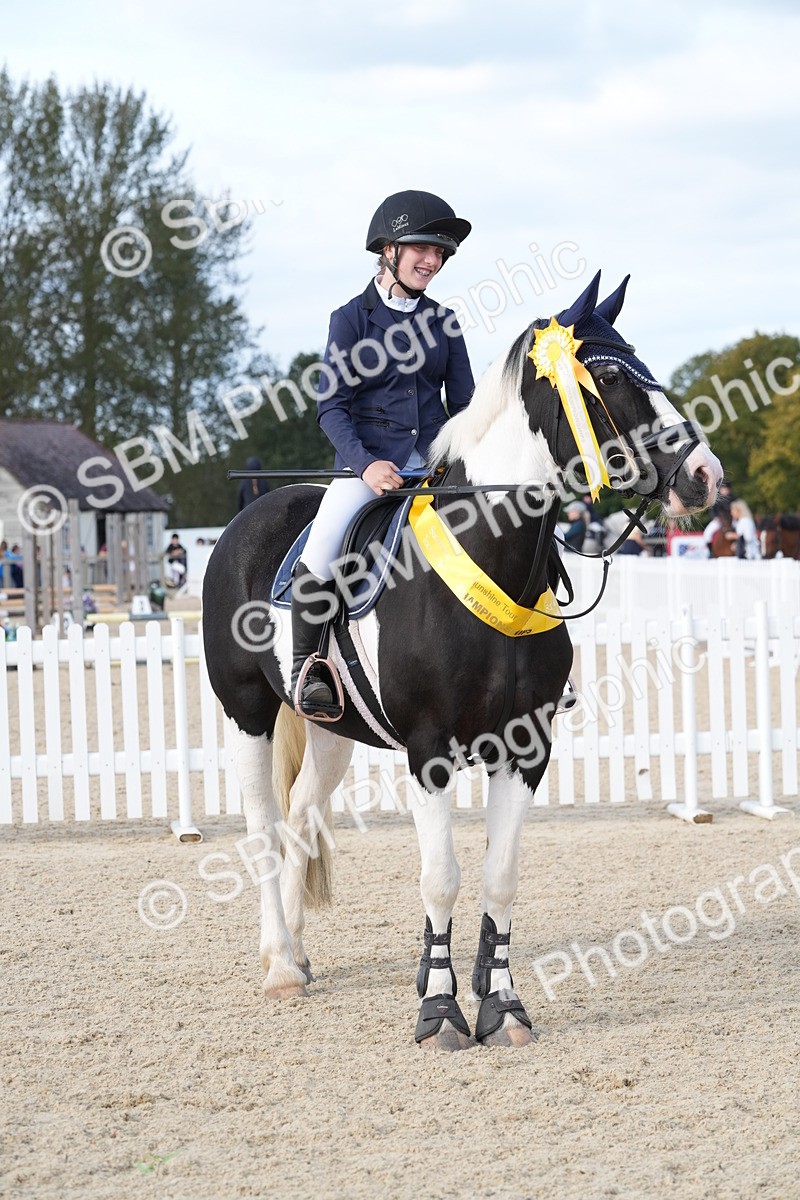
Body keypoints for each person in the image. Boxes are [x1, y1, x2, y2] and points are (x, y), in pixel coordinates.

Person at [292, 189, 474, 718]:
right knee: (324, 545)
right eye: (423, 249)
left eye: (440, 254)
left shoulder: (445, 321)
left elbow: (462, 405)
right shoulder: (350, 319)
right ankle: (311, 667)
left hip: (435, 467)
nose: (432, 262)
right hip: (370, 466)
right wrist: (366, 464)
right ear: (389, 250)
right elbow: (332, 407)